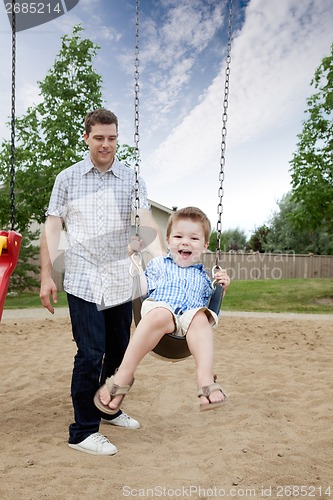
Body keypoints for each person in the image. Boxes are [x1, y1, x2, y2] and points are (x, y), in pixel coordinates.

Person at [39, 108, 165, 456]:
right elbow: (52, 227)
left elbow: (144, 220)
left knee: (119, 351)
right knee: (91, 353)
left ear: (117, 138)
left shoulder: (132, 179)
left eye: (111, 138)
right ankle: (82, 431)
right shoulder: (67, 178)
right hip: (82, 278)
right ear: (86, 138)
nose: (105, 144)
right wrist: (46, 275)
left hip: (119, 280)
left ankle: (107, 409)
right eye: (99, 138)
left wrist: (152, 251)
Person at [94, 207, 230, 418]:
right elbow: (141, 286)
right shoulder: (158, 265)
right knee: (161, 313)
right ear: (168, 240)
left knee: (200, 318)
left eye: (194, 238)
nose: (185, 242)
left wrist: (221, 287)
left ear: (204, 246)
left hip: (186, 323)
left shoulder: (204, 278)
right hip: (159, 310)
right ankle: (122, 376)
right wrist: (134, 262)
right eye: (178, 236)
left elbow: (210, 306)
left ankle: (205, 380)